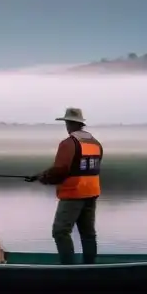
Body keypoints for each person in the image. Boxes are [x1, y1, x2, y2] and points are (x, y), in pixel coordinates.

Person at [26, 107, 103, 265]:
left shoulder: (68, 143)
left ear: (69, 123)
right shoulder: (95, 143)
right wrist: (41, 175)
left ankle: (68, 268)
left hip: (74, 193)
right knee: (88, 233)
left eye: (66, 123)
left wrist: (42, 177)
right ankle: (90, 267)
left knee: (60, 231)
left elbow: (61, 170)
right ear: (81, 124)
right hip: (92, 191)